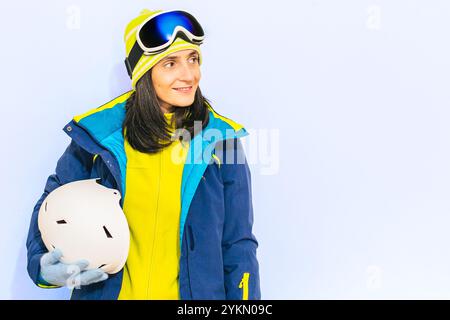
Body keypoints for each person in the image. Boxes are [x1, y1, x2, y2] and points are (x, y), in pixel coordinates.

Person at [26, 8, 261, 300]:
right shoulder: (100, 134)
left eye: (193, 59)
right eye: (170, 63)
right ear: (143, 73)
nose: (189, 74)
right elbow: (53, 202)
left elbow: (237, 243)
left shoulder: (219, 141)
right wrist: (41, 266)